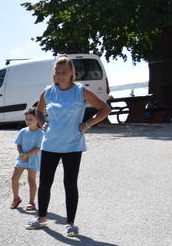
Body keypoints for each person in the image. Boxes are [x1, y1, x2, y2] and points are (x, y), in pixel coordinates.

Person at [25, 56, 111, 235]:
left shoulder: (81, 91)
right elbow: (39, 111)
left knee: (70, 184)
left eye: (63, 72)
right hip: (50, 144)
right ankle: (41, 218)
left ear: (72, 72)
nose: (60, 75)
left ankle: (70, 223)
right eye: (57, 72)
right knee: (45, 183)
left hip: (72, 145)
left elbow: (105, 109)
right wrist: (42, 123)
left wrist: (87, 124)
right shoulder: (48, 92)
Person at [11, 107, 44, 211]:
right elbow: (18, 144)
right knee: (14, 178)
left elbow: (38, 148)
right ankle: (16, 198)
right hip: (22, 158)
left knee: (31, 180)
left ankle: (31, 202)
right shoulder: (23, 131)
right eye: (26, 119)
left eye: (30, 119)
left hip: (33, 160)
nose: (28, 121)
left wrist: (26, 155)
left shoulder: (41, 133)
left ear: (37, 119)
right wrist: (21, 154)